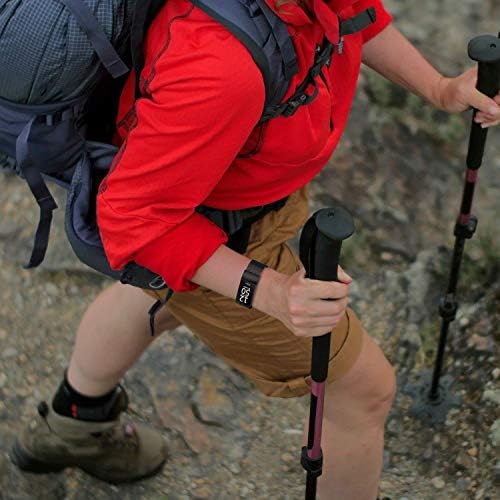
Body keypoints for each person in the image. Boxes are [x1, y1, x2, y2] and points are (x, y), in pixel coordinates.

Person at [10, 1, 500, 498]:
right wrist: (271, 292)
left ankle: (74, 423)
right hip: (207, 235)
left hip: (246, 185)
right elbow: (134, 221)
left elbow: (353, 15)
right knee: (363, 393)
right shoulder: (220, 67)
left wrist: (439, 88)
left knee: (158, 297)